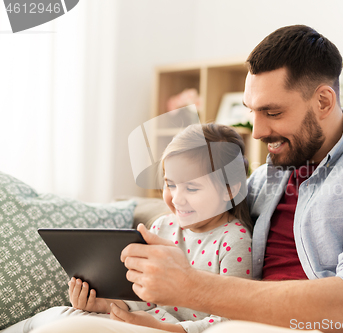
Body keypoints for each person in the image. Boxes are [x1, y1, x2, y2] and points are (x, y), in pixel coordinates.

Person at [32, 25, 343, 333]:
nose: (256, 131)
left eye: (272, 112)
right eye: (252, 111)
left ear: (324, 101)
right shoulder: (265, 181)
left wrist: (190, 286)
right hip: (246, 324)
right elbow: (202, 226)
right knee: (62, 325)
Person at [6, 124, 252, 333]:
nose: (177, 199)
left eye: (192, 188)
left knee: (63, 327)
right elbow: (143, 300)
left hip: (169, 330)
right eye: (171, 185)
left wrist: (164, 328)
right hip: (140, 322)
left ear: (230, 190)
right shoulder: (162, 226)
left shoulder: (234, 239)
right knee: (54, 317)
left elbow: (233, 319)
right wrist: (101, 304)